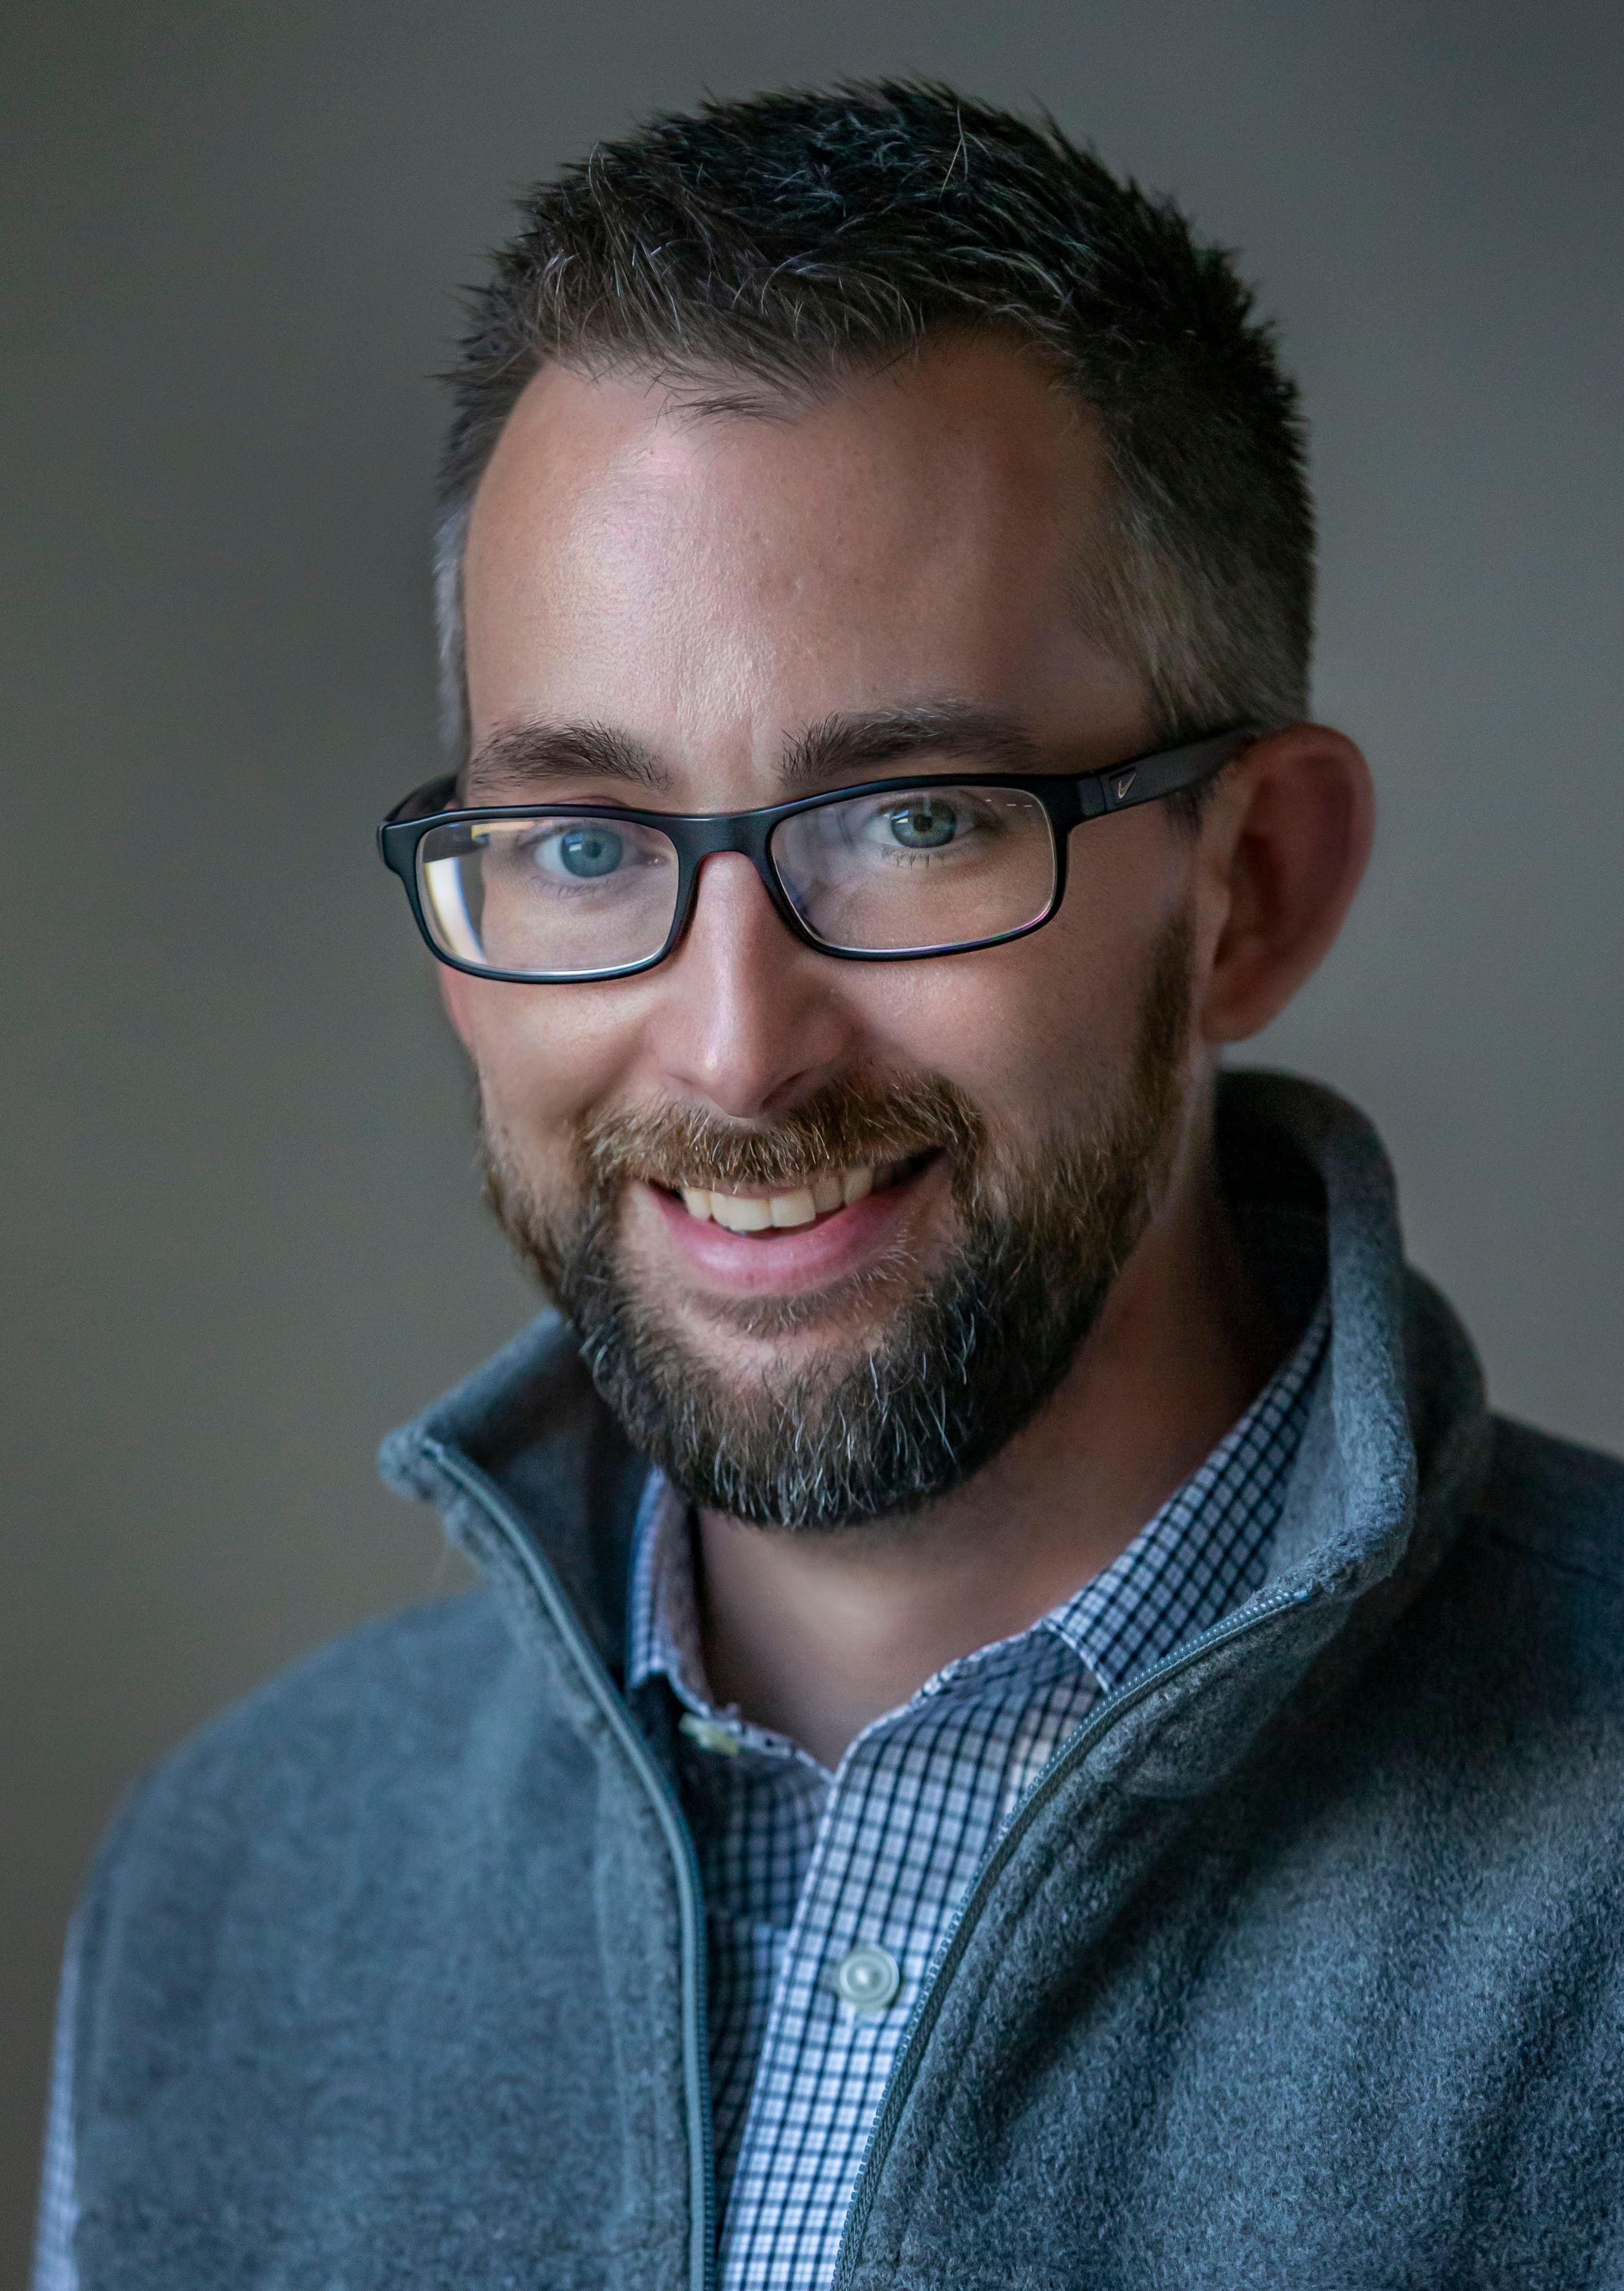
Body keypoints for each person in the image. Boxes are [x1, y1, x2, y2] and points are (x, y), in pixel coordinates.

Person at [34, 80, 1624, 2291]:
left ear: (1250, 884)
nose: (733, 1043)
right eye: (586, 843)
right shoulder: (239, 1891)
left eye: (914, 820)